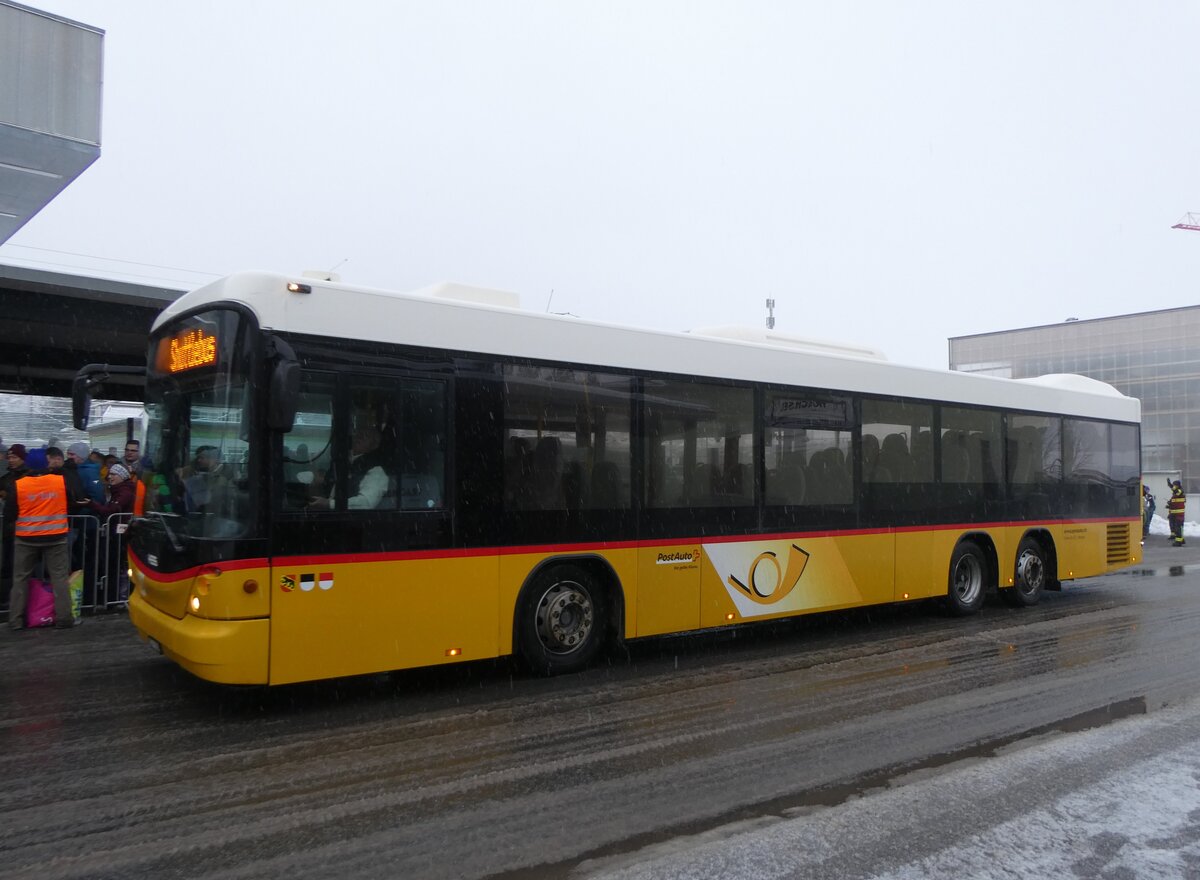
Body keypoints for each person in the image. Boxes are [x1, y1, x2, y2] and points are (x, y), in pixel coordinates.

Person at [6, 463, 83, 629]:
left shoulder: (19, 484)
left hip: (26, 538)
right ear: (46, 466)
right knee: (59, 578)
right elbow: (73, 501)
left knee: (20, 578)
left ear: (28, 467)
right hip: (56, 537)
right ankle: (64, 618)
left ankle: (16, 620)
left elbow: (9, 513)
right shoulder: (60, 481)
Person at [308, 424, 389, 510]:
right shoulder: (341, 462)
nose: (360, 436)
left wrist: (330, 504)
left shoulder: (376, 471)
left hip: (350, 521)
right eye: (358, 433)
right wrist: (316, 484)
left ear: (375, 445)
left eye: (367, 436)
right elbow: (325, 492)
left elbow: (366, 503)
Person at [1167, 479, 1186, 547]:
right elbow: (1175, 502)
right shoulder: (1175, 494)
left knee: (1178, 527)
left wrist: (1170, 485)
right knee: (1177, 528)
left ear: (1177, 485)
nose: (1174, 487)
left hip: (1179, 514)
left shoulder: (1180, 491)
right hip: (1175, 513)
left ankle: (1178, 542)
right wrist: (1169, 504)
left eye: (1175, 485)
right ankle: (1181, 539)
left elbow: (1176, 491)